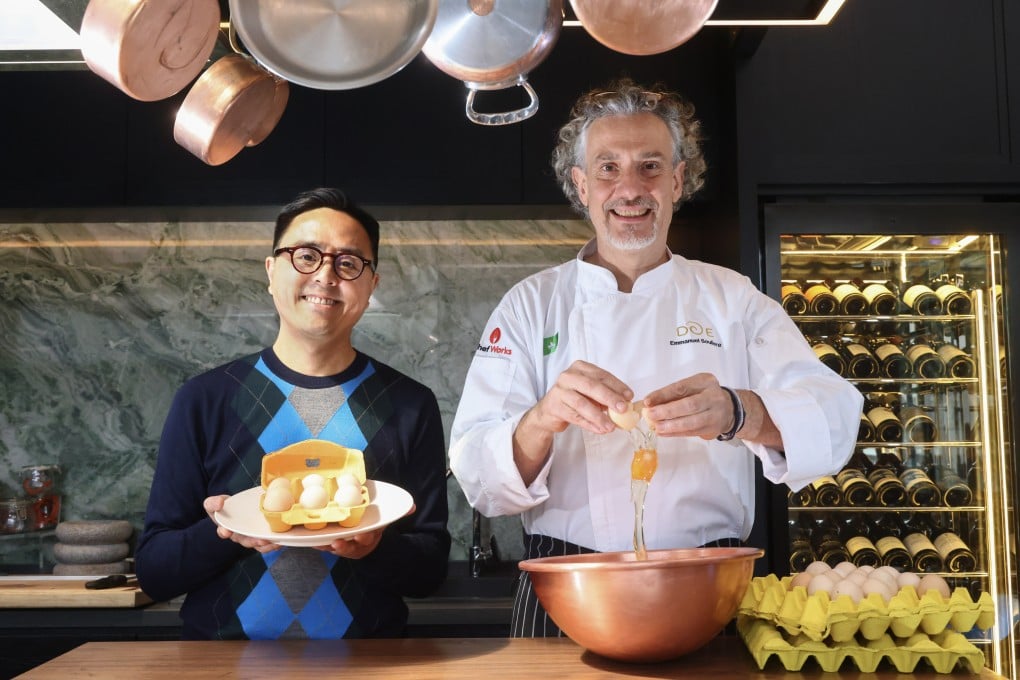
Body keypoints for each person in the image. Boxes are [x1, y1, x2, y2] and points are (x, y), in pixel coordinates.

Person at [448, 79, 863, 637]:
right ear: (581, 186)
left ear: (677, 179)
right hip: (567, 588)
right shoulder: (532, 305)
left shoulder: (732, 298)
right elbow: (477, 472)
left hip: (708, 584)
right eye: (607, 168)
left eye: (649, 166)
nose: (630, 189)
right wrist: (544, 418)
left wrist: (741, 413)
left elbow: (835, 418)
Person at [135, 187, 451, 640]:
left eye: (348, 263)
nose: (325, 275)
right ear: (271, 271)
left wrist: (373, 549)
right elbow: (155, 572)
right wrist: (223, 530)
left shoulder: (408, 405)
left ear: (371, 285)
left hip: (370, 668)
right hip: (223, 668)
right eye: (306, 255)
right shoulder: (205, 400)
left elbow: (429, 572)